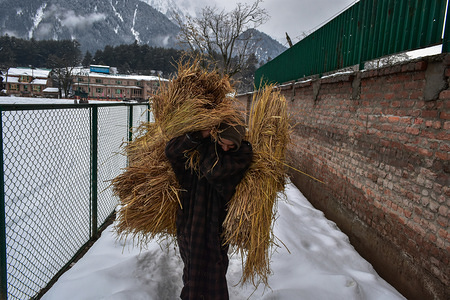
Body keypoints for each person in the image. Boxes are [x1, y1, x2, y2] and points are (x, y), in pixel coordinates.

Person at [165, 123, 253, 300]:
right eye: (222, 143)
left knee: (216, 269)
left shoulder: (241, 155)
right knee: (192, 268)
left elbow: (215, 171)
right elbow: (171, 152)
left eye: (231, 146)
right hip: (191, 219)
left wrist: (207, 144)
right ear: (216, 136)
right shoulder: (198, 149)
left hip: (217, 223)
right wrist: (197, 135)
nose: (226, 149)